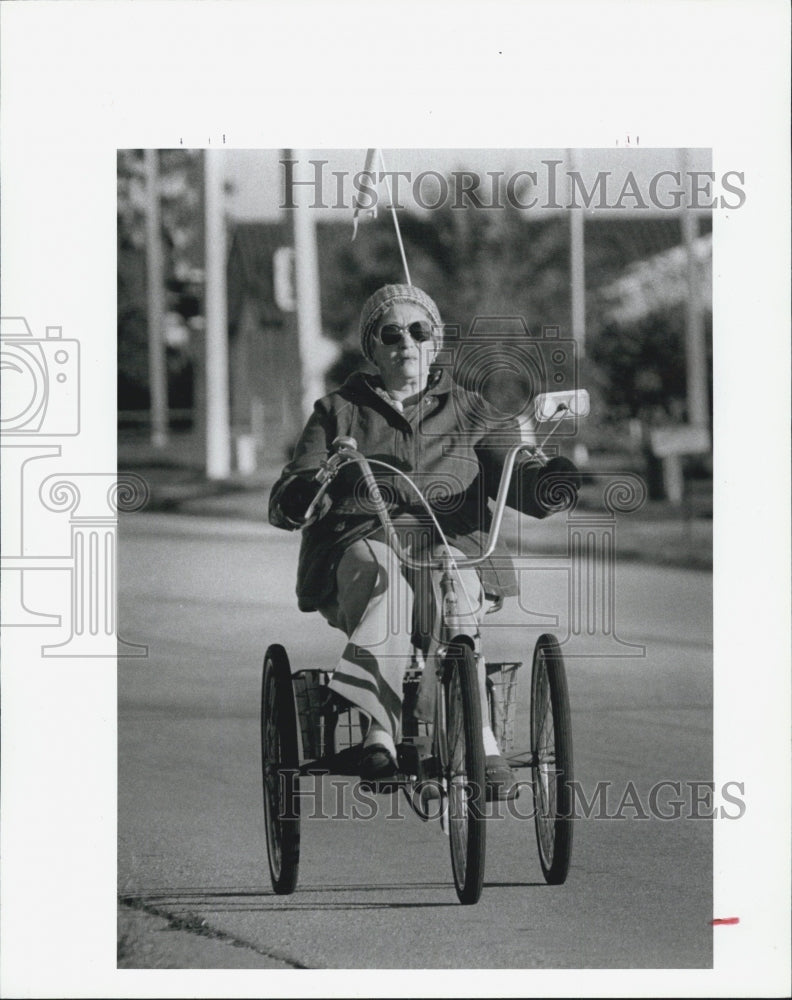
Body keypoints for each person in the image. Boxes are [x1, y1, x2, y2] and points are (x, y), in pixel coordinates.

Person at [269, 284, 578, 798]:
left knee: (453, 584)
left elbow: (514, 467)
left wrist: (547, 482)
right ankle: (380, 733)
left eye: (419, 331)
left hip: (450, 543)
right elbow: (295, 486)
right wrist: (304, 491)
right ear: (372, 347)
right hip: (364, 538)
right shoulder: (337, 411)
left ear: (435, 344)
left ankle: (481, 740)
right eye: (391, 333)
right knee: (386, 585)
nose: (405, 343)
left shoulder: (473, 410)